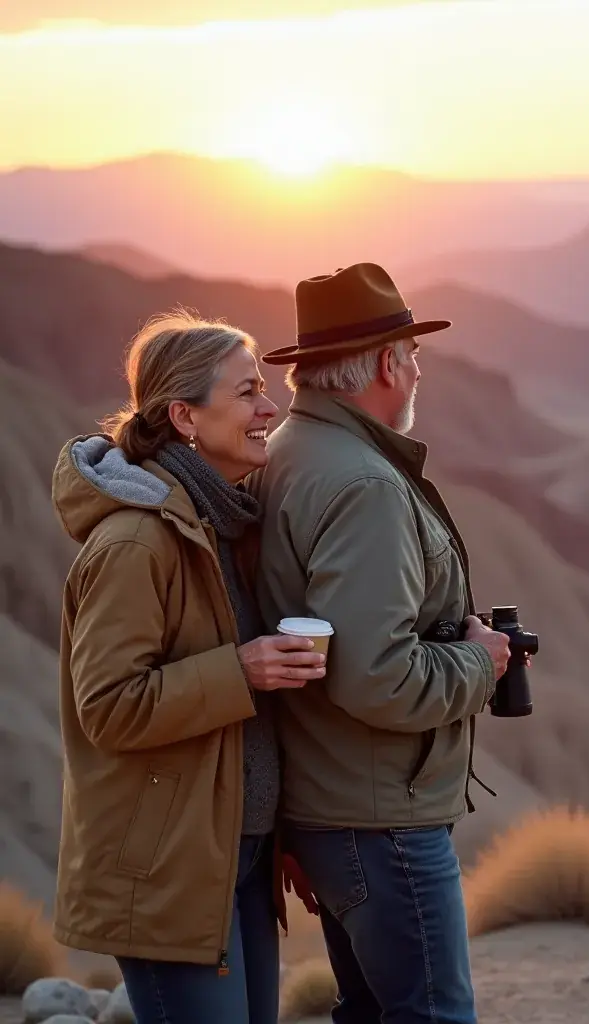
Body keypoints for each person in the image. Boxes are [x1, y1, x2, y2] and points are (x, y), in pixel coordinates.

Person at [51, 312, 328, 1024]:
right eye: (246, 393)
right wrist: (242, 671)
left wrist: (279, 837)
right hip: (168, 871)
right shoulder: (136, 544)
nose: (270, 407)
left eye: (264, 388)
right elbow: (108, 705)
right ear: (185, 417)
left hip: (234, 857)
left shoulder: (223, 525)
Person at [251, 262, 511, 1024]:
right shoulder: (363, 485)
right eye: (415, 355)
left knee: (369, 1012)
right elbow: (377, 676)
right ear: (390, 364)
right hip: (381, 819)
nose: (419, 370)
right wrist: (481, 661)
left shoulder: (288, 451)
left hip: (329, 804)